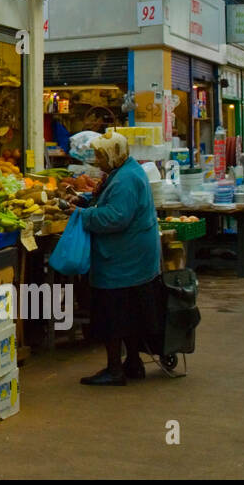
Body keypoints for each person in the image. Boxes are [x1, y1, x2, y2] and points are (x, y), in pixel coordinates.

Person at [75, 130, 164, 386]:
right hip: (132, 256)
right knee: (130, 311)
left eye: (100, 155)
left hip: (124, 259)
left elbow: (115, 218)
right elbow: (110, 204)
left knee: (112, 313)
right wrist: (84, 201)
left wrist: (81, 215)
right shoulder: (124, 171)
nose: (96, 160)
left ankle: (115, 370)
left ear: (114, 154)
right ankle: (133, 363)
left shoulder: (125, 179)